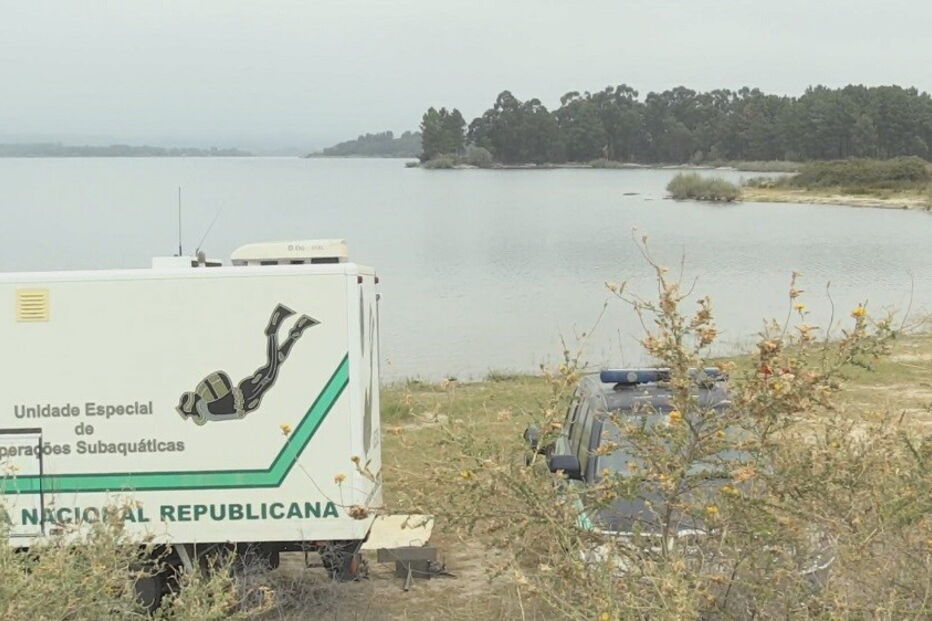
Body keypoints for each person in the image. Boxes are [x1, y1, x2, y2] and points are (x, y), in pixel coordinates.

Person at [177, 304, 318, 425]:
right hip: (247, 396)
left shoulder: (208, 411)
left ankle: (274, 330)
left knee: (271, 371)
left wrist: (242, 409)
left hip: (246, 395)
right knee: (275, 364)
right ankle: (297, 330)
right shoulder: (207, 408)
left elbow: (232, 413)